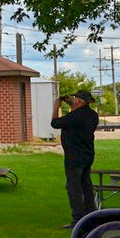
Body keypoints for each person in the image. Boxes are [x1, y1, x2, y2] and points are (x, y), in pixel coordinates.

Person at [51, 90, 99, 229]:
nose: (73, 100)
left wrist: (56, 107)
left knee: (74, 188)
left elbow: (54, 123)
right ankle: (91, 216)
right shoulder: (92, 115)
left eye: (75, 98)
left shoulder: (75, 116)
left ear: (79, 101)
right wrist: (69, 102)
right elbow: (76, 112)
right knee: (86, 186)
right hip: (88, 155)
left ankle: (78, 219)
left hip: (74, 157)